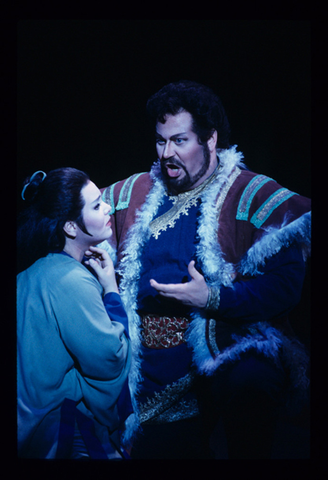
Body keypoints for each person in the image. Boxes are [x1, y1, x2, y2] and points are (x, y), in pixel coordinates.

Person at [100, 80, 311, 459]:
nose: (167, 153)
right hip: (145, 363)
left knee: (253, 380)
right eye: (161, 141)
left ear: (211, 140)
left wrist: (212, 297)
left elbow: (285, 286)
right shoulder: (132, 193)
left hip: (223, 350)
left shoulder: (251, 192)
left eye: (180, 141)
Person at [17, 167, 132, 459]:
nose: (108, 207)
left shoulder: (31, 274)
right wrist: (111, 291)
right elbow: (109, 358)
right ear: (70, 227)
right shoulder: (71, 280)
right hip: (61, 432)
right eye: (95, 205)